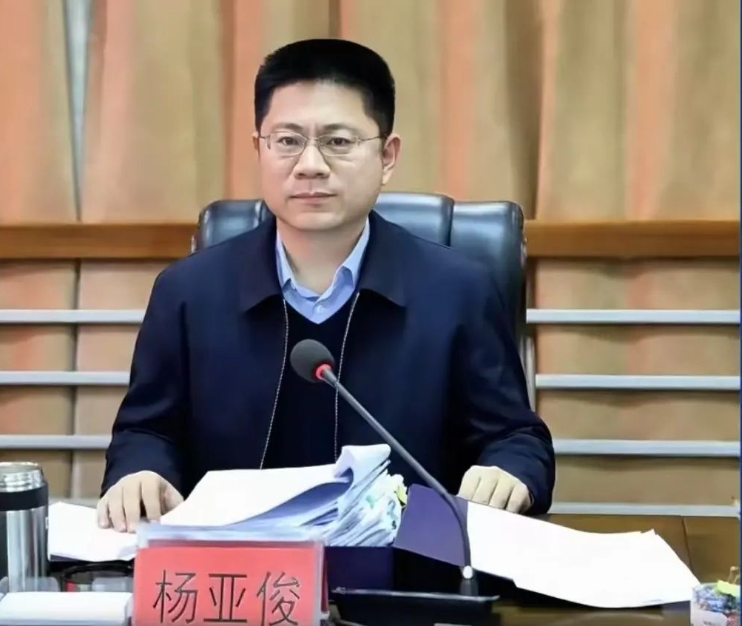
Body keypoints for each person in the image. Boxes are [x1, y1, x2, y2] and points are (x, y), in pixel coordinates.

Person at [98, 38, 555, 532]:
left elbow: (515, 438)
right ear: (259, 150)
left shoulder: (457, 292)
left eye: (338, 142)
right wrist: (140, 471)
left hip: (405, 563)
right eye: (287, 141)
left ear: (387, 156)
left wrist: (509, 472)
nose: (310, 164)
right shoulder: (188, 292)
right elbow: (147, 431)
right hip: (235, 566)